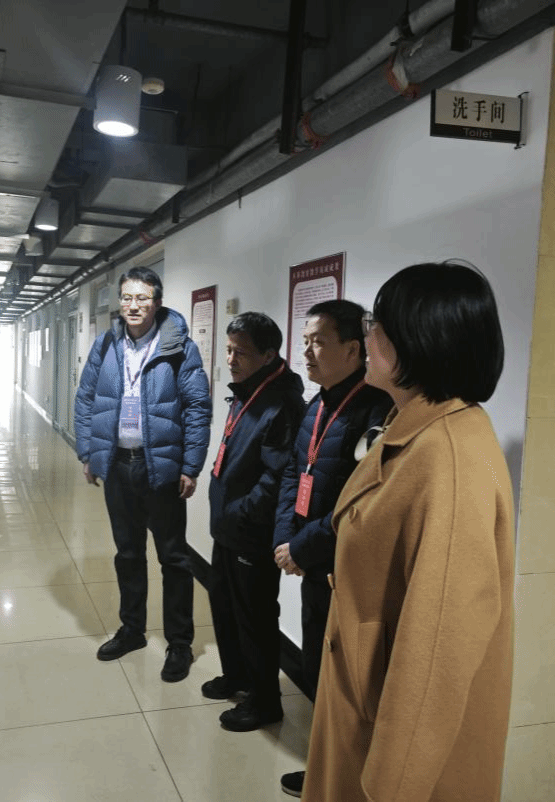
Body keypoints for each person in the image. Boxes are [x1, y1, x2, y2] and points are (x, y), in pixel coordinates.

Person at [301, 262, 514, 802]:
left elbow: (440, 642)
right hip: (364, 700)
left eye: (376, 324)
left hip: (391, 744)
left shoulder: (448, 458)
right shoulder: (415, 428)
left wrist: (392, 784)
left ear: (420, 341)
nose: (367, 336)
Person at [273, 299, 393, 796]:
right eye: (304, 341)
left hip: (343, 567)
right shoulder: (316, 403)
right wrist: (286, 537)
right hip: (310, 558)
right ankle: (325, 767)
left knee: (346, 678)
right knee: (316, 666)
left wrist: (303, 547)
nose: (306, 352)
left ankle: (343, 778)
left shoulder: (376, 410)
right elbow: (293, 472)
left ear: (353, 349)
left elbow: (358, 501)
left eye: (318, 342)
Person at [73, 266, 212, 682]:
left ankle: (180, 643)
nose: (133, 306)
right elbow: (86, 399)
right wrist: (88, 452)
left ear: (157, 302)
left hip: (161, 468)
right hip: (119, 464)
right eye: (127, 297)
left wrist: (191, 465)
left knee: (173, 558)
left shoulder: (179, 347)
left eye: (142, 298)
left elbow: (198, 408)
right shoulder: (106, 344)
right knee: (128, 554)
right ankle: (132, 629)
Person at [205, 312, 305, 731]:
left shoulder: (282, 403)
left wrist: (240, 513)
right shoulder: (246, 392)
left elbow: (277, 478)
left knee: (255, 617)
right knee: (224, 607)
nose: (230, 360)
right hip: (228, 526)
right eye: (228, 350)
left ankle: (265, 702)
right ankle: (237, 676)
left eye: (240, 353)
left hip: (250, 530)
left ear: (267, 355)